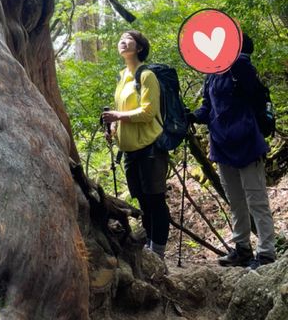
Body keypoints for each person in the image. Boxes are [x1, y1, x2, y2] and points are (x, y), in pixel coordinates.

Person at [188, 32, 276, 270]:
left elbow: (253, 91)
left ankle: (267, 253)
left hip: (248, 142)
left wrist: (236, 61)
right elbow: (208, 107)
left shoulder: (243, 69)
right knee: (236, 201)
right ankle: (242, 249)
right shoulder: (212, 74)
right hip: (222, 145)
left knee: (256, 200)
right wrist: (192, 116)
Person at [102, 30, 170, 260]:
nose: (122, 41)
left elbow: (149, 111)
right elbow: (122, 110)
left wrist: (118, 116)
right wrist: (113, 127)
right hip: (129, 150)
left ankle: (158, 252)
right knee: (142, 200)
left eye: (128, 38)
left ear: (139, 47)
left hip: (150, 148)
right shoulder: (123, 76)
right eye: (120, 38)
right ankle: (150, 248)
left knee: (155, 200)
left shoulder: (147, 75)